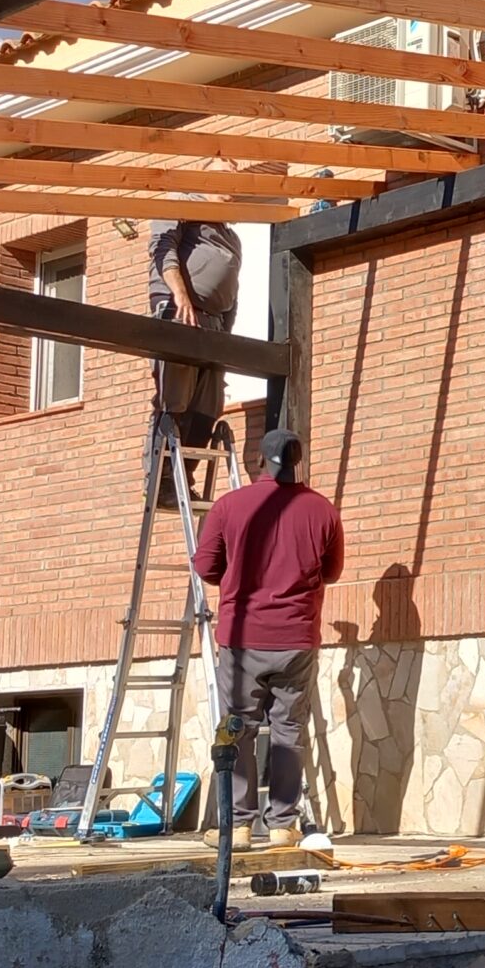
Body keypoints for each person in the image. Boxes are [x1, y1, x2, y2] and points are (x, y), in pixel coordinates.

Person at [192, 427, 345, 847]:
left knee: (237, 728)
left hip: (243, 637)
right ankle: (282, 825)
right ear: (298, 461)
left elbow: (205, 567)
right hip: (297, 637)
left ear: (259, 459)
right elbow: (332, 572)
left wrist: (238, 577)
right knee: (288, 729)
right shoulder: (323, 511)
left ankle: (238, 825)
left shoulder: (229, 506)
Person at [149, 218, 243, 446]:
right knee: (175, 401)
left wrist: (226, 336)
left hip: (214, 323)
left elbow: (232, 289)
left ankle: (186, 467)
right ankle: (162, 466)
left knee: (207, 409)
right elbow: (163, 248)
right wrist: (180, 296)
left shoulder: (232, 238)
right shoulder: (186, 205)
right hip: (182, 312)